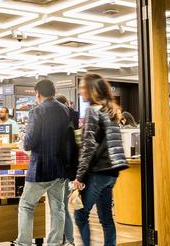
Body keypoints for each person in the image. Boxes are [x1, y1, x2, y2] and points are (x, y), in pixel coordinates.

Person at [15, 80, 75, 246]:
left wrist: (24, 140)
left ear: (38, 94)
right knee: (58, 208)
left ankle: (24, 243)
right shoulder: (66, 110)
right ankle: (55, 243)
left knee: (26, 205)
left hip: (41, 168)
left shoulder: (37, 111)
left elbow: (29, 142)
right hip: (61, 169)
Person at [73, 73, 129, 246]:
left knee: (80, 214)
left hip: (98, 172)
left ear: (92, 90)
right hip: (112, 172)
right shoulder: (112, 110)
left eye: (82, 87)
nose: (80, 91)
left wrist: (79, 176)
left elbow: (89, 147)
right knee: (106, 218)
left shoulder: (92, 111)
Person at [55, 94, 79, 246]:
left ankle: (68, 239)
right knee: (61, 206)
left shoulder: (65, 123)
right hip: (69, 171)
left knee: (60, 206)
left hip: (63, 170)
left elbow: (67, 150)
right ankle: (66, 238)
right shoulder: (73, 121)